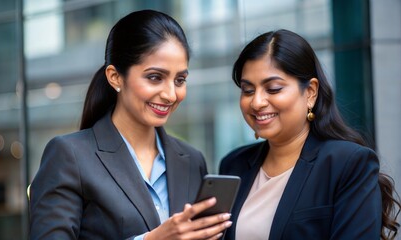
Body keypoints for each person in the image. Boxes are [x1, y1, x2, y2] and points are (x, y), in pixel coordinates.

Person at [29, 10, 232, 240]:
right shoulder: (69, 155)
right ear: (115, 77)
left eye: (180, 80)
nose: (170, 94)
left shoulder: (192, 160)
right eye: (155, 77)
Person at [219, 29, 400, 240]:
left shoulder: (348, 164)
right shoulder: (234, 165)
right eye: (248, 90)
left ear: (311, 92)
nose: (257, 102)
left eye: (274, 88)